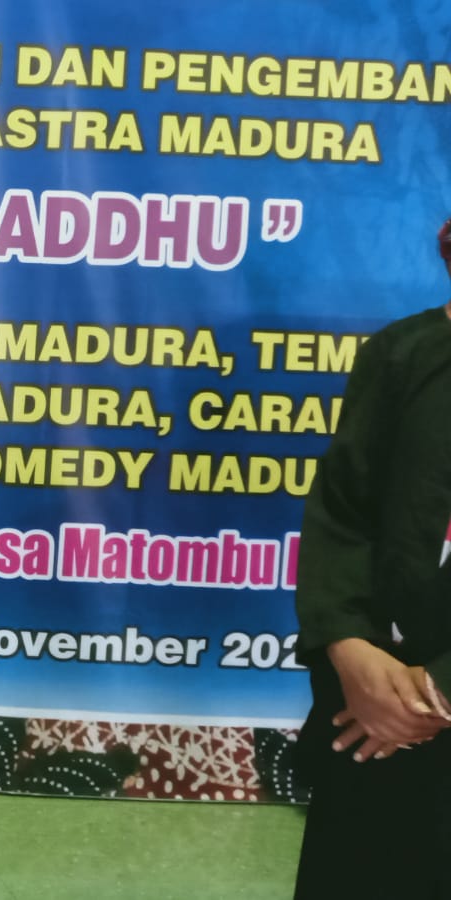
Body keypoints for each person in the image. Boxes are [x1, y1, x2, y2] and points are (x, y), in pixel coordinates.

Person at [289, 219, 451, 897]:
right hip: (376, 702)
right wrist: (349, 647)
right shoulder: (401, 354)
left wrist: (438, 689)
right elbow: (341, 515)